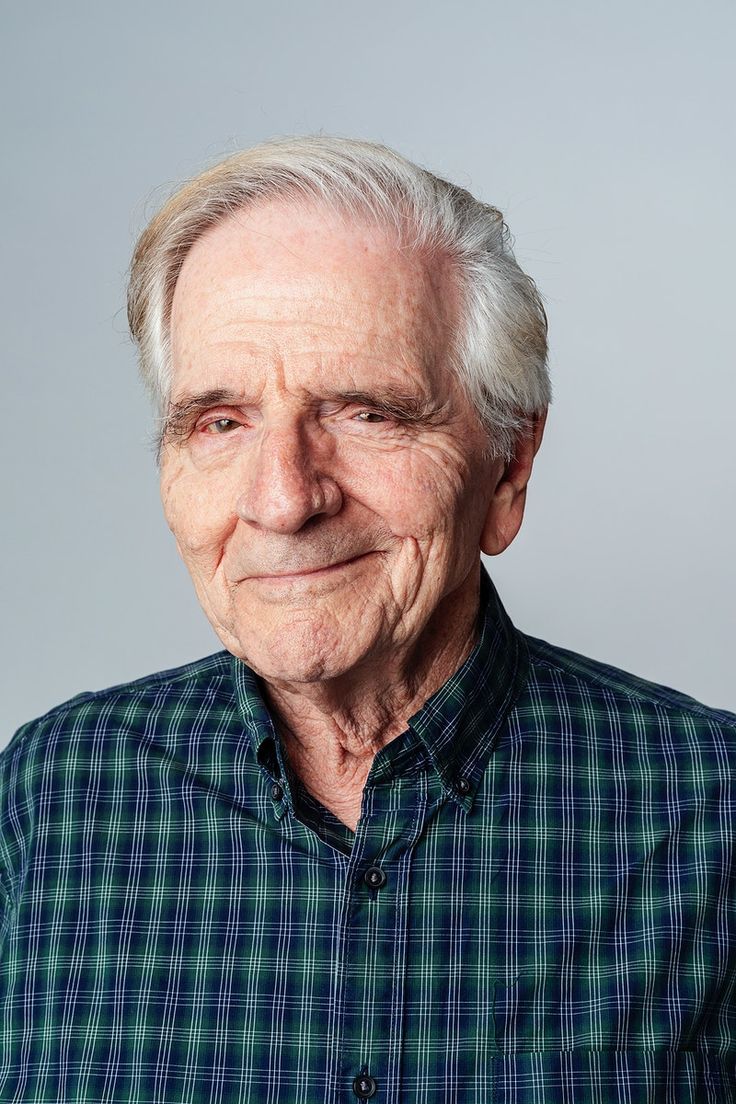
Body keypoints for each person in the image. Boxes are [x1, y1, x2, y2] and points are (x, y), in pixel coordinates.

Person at [1, 136, 734, 1103]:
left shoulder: (711, 815)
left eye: (365, 413)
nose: (283, 499)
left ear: (508, 468)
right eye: (220, 421)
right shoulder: (47, 803)